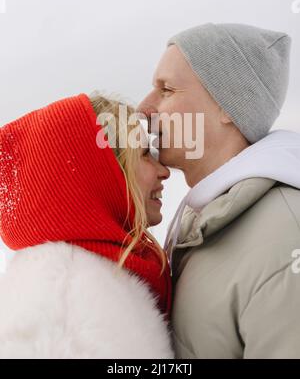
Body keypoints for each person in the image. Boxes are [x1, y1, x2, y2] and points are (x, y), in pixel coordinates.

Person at [138, 23, 300, 359]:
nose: (144, 107)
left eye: (166, 90)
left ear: (229, 104)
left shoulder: (287, 237)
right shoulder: (200, 221)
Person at [0, 92, 174, 359]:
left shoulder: (85, 275)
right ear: (103, 174)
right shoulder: (67, 297)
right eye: (144, 155)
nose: (164, 171)